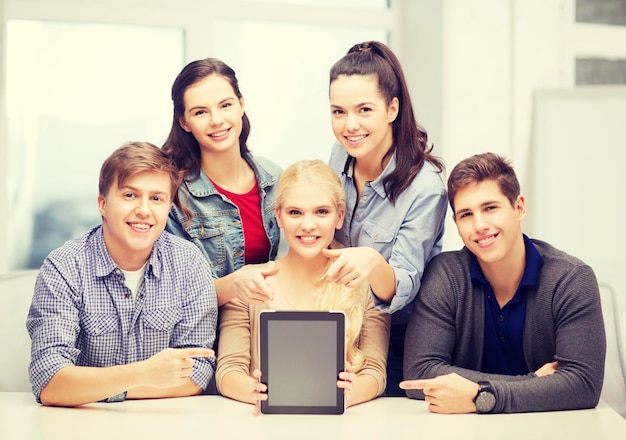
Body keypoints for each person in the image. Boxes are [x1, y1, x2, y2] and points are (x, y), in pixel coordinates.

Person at [400, 152, 606, 414]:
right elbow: (420, 373)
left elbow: (583, 384)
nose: (480, 225)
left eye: (490, 208)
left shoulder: (571, 279)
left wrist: (480, 396)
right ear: (456, 223)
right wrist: (534, 384)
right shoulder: (445, 275)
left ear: (519, 207)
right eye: (466, 214)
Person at [26, 142, 218, 407]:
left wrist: (102, 389)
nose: (143, 210)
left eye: (156, 198)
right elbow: (50, 382)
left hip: (163, 423)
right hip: (80, 425)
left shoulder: (189, 263)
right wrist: (143, 374)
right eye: (129, 195)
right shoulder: (64, 266)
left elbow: (197, 373)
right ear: (103, 204)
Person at [216, 160, 390, 413]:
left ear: (339, 216)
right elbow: (228, 370)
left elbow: (375, 372)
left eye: (321, 212)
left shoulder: (364, 283)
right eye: (295, 212)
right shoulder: (251, 283)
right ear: (279, 216)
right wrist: (255, 392)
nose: (308, 225)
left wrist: (347, 394)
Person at [325, 41, 447, 395]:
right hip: (344, 326)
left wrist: (371, 262)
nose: (350, 126)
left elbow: (405, 286)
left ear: (392, 108)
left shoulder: (425, 188)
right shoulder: (340, 154)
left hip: (397, 341)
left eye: (364, 110)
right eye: (338, 111)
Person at [162, 58, 281, 306]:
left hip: (274, 321)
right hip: (208, 335)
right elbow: (177, 295)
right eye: (200, 112)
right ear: (184, 122)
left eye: (225, 105)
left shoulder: (275, 177)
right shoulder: (173, 197)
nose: (216, 120)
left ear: (241, 104)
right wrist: (236, 284)